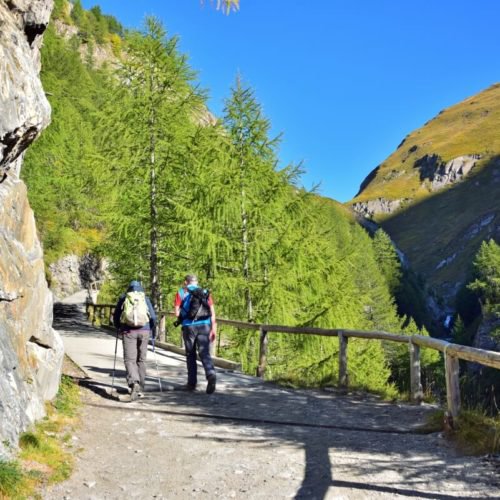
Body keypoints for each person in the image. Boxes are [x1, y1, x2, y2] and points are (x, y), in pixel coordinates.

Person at [113, 280, 156, 401]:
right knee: (141, 359)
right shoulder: (145, 298)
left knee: (129, 359)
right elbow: (153, 316)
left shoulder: (124, 298)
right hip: (144, 331)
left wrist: (118, 326)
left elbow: (116, 315)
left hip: (129, 331)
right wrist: (151, 328)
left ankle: (134, 383)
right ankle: (141, 387)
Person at [174, 274, 217, 394]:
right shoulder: (204, 292)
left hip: (189, 327)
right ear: (197, 282)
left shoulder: (181, 293)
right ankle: (211, 374)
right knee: (204, 352)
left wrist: (184, 315)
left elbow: (177, 313)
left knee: (190, 354)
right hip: (205, 325)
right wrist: (213, 329)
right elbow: (212, 312)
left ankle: (191, 383)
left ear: (185, 282)